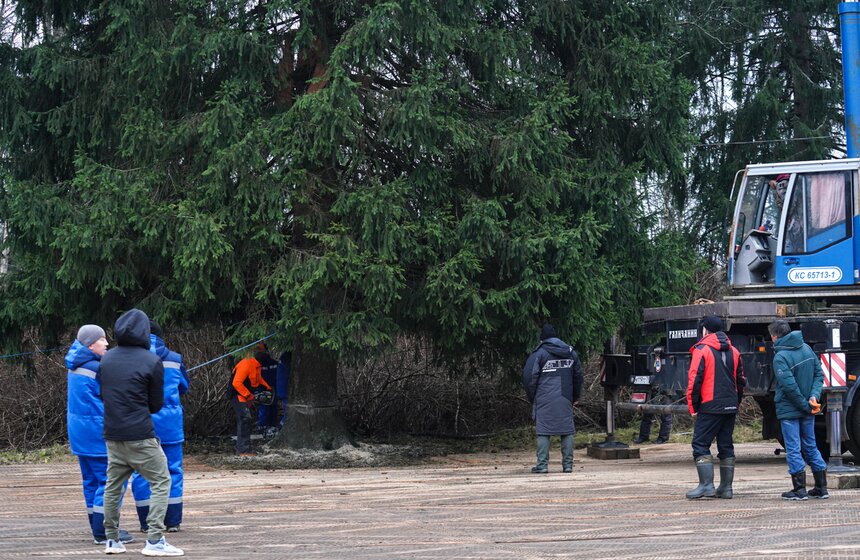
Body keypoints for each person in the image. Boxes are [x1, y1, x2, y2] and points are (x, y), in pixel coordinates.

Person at [99, 309, 184, 556]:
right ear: (145, 332)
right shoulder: (151, 360)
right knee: (162, 480)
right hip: (141, 435)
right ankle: (155, 540)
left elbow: (104, 395)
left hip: (112, 435)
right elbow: (156, 404)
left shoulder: (106, 359)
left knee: (113, 486)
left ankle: (112, 540)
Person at [65, 324, 135, 546]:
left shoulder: (76, 364)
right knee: (110, 482)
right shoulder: (98, 368)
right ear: (89, 344)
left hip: (80, 435)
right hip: (97, 435)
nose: (107, 343)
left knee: (91, 482)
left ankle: (97, 526)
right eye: (102, 339)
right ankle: (104, 531)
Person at [132, 321, 189, 533]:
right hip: (171, 426)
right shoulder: (175, 359)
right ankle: (173, 521)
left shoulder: (133, 360)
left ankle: (146, 522)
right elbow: (184, 387)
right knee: (173, 470)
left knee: (141, 472)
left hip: (142, 425)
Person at [685, 315, 746, 500]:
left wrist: (693, 406)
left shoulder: (701, 350)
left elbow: (694, 380)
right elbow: (741, 381)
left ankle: (706, 486)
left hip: (710, 405)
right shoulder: (734, 351)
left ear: (705, 330)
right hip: (730, 405)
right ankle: (726, 488)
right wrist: (737, 402)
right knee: (726, 445)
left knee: (700, 443)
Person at [769, 320, 828, 500]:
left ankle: (799, 490)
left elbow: (789, 387)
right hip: (808, 408)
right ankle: (821, 487)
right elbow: (819, 375)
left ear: (775, 336)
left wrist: (804, 404)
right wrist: (813, 397)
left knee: (794, 448)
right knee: (810, 446)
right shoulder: (806, 349)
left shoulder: (780, 357)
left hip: (790, 410)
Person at [522, 323, 584, 474]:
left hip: (544, 397)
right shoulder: (570, 353)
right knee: (567, 430)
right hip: (565, 396)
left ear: (542, 339)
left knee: (544, 430)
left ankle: (542, 466)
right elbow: (578, 376)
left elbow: (529, 377)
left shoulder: (539, 353)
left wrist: (533, 396)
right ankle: (568, 466)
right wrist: (575, 396)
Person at [230, 351, 272, 456]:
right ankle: (243, 450)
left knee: (246, 420)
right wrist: (249, 395)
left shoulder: (256, 365)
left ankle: (243, 448)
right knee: (244, 419)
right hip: (238, 395)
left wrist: (267, 387)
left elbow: (258, 379)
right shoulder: (247, 364)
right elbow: (236, 383)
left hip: (245, 395)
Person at [254, 342, 279, 436]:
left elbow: (276, 376)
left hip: (273, 389)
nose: (260, 352)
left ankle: (272, 427)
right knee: (264, 409)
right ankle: (262, 427)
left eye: (261, 350)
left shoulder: (273, 363)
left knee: (273, 408)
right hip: (262, 390)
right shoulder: (256, 365)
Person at [276, 350, 292, 428]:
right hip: (285, 390)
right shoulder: (288, 357)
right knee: (288, 412)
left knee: (287, 410)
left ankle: (282, 425)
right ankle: (282, 426)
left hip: (282, 389)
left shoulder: (284, 357)